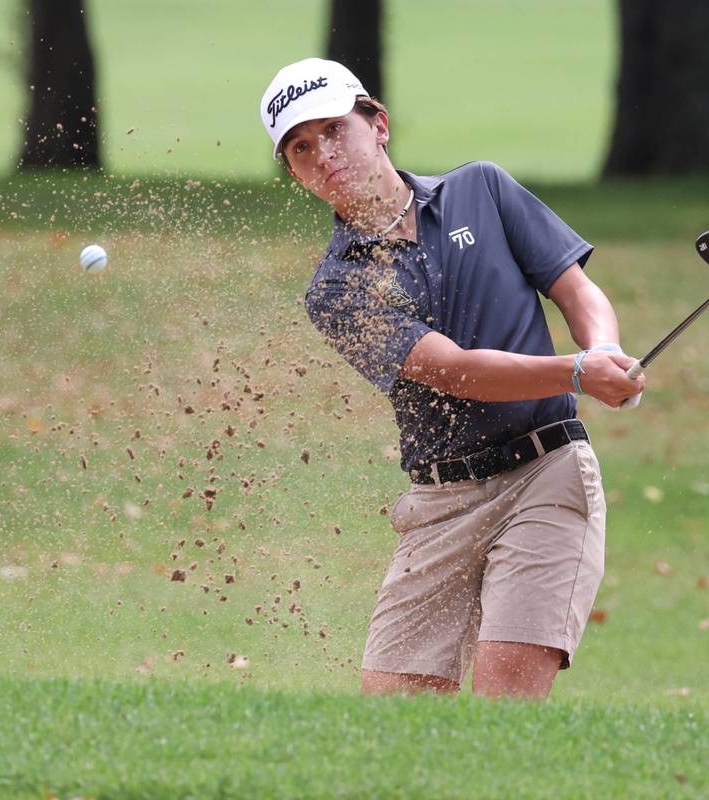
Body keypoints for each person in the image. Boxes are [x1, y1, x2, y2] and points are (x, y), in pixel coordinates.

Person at [259, 58, 645, 699]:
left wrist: (605, 350)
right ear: (296, 174)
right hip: (438, 505)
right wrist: (578, 370)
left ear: (377, 124)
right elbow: (455, 372)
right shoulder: (337, 289)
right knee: (394, 725)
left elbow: (576, 292)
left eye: (333, 129)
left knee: (505, 714)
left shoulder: (482, 191)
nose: (322, 153)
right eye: (301, 148)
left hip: (545, 476)